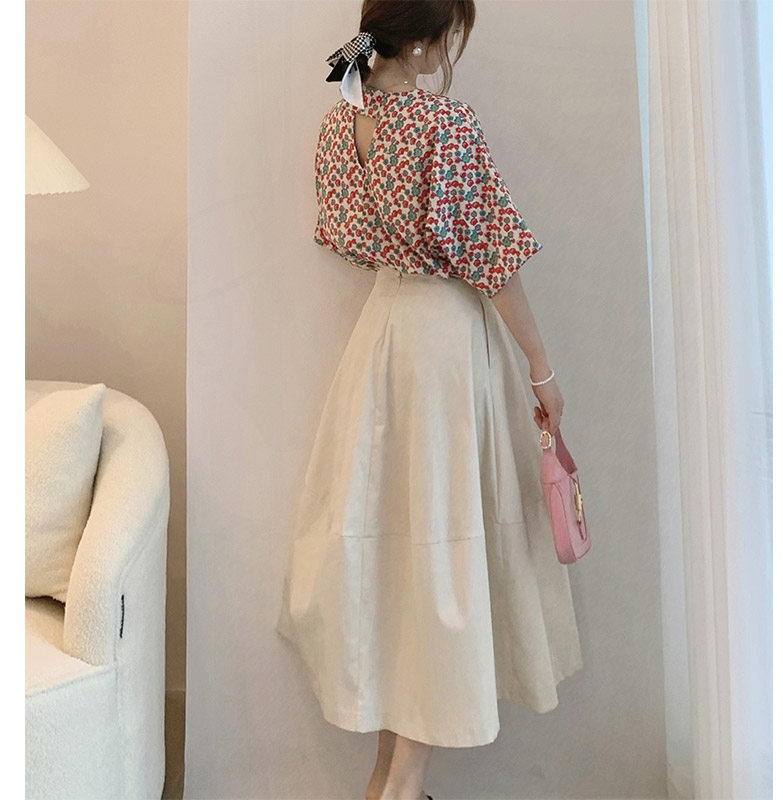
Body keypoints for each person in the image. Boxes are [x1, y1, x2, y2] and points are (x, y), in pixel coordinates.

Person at [276, 3, 583, 799]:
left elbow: (343, 238)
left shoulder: (339, 124)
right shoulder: (444, 125)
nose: (452, 49)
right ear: (421, 39)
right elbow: (494, 259)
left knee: (400, 558)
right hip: (444, 342)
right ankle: (404, 786)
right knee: (445, 552)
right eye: (451, 35)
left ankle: (389, 777)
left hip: (381, 337)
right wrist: (542, 369)